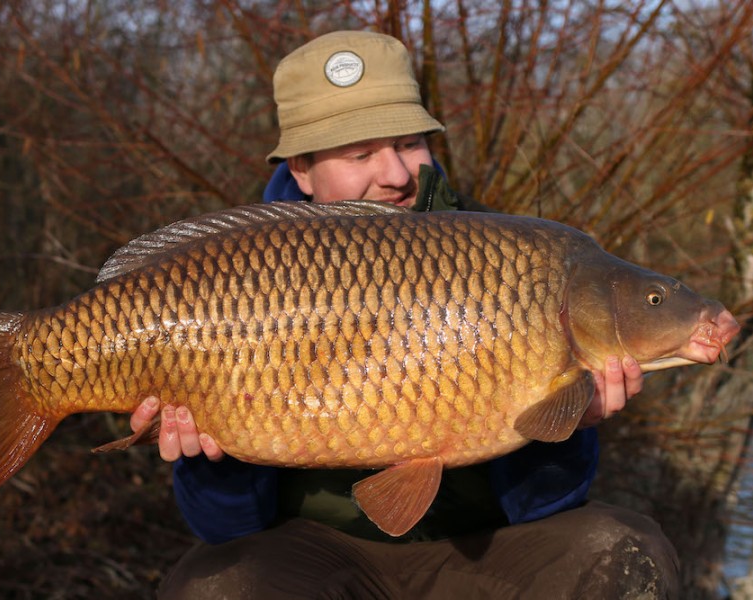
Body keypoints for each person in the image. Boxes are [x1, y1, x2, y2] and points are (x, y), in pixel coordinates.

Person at [131, 31, 680, 598]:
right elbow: (226, 528)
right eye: (360, 153)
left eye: (410, 143)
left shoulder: (519, 262)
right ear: (301, 169)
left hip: (486, 551)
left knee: (624, 551)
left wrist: (566, 427)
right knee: (212, 588)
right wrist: (211, 458)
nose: (394, 173)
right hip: (314, 554)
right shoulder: (232, 279)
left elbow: (547, 506)